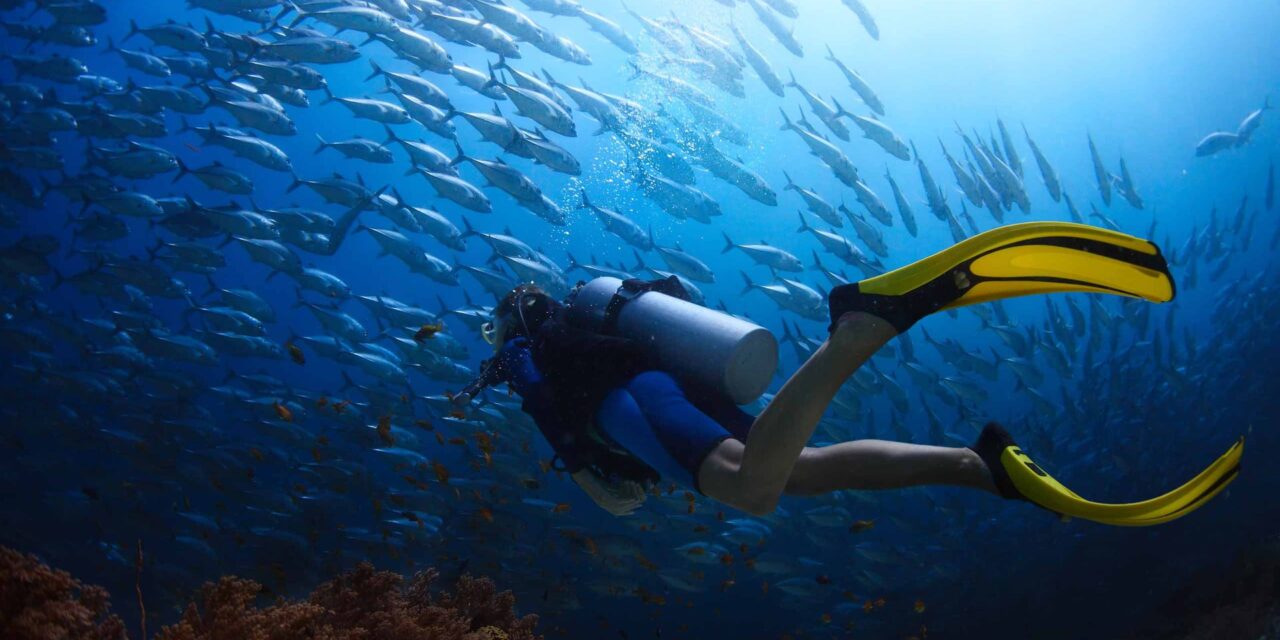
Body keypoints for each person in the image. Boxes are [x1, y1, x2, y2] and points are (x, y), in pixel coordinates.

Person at [459, 222, 1242, 525]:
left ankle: (860, 329)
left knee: (749, 488)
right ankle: (980, 466)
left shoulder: (524, 352)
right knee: (803, 470)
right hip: (667, 385)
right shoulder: (581, 317)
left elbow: (596, 471)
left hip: (628, 403)